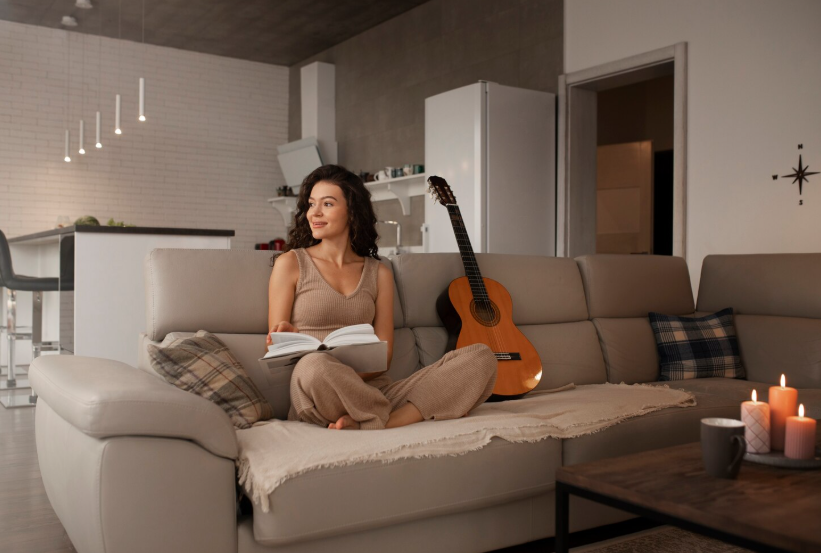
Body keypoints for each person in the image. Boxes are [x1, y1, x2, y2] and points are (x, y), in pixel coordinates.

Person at [267, 165, 497, 430]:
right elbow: (273, 351)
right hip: (320, 389)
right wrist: (284, 336)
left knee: (481, 357)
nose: (314, 213)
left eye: (327, 204)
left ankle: (378, 420)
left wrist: (353, 378)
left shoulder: (379, 272)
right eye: (311, 204)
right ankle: (395, 416)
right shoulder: (291, 263)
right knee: (314, 365)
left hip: (375, 390)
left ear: (352, 212)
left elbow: (383, 356)